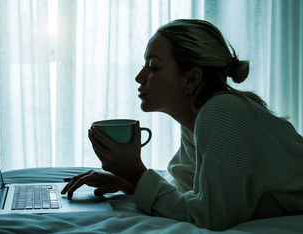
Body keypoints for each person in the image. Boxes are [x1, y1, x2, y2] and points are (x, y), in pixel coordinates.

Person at [60, 19, 303, 230]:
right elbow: (187, 193)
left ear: (192, 78)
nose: (139, 77)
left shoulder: (223, 112)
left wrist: (136, 173)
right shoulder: (196, 121)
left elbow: (208, 218)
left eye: (153, 66)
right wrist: (131, 183)